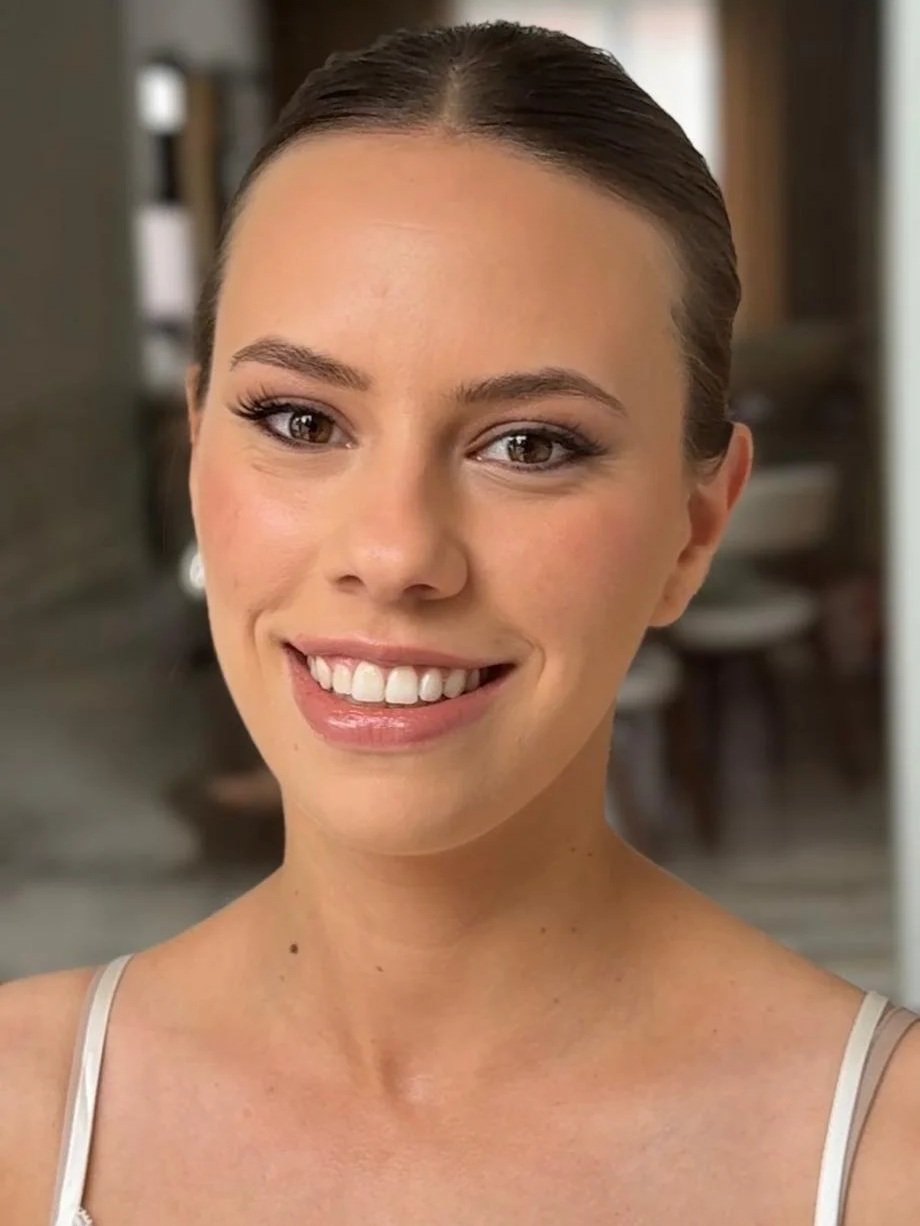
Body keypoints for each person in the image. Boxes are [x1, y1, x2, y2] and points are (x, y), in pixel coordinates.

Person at [2, 20, 918, 1224]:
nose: (393, 554)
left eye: (530, 444)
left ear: (694, 528)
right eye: (298, 420)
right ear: (194, 453)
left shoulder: (885, 1159)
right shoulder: (19, 1112)